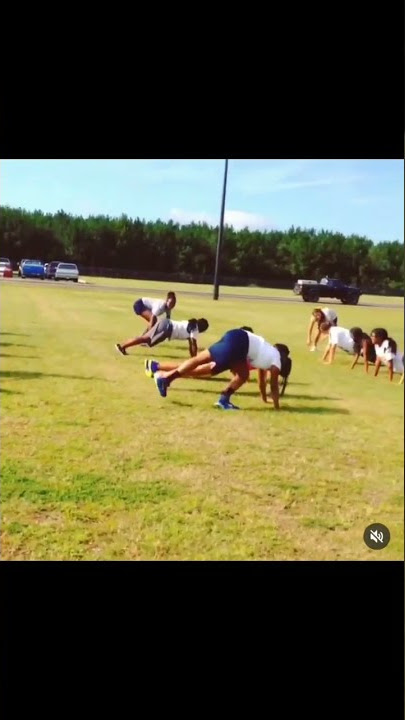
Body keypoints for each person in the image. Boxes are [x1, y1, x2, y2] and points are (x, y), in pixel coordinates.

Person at [151, 327, 291, 410]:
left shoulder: (269, 352)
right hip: (241, 344)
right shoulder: (277, 361)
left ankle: (167, 379)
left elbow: (262, 381)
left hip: (234, 335)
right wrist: (277, 407)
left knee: (199, 359)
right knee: (243, 376)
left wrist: (264, 399)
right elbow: (273, 386)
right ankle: (224, 400)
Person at [116, 318, 208, 357]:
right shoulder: (195, 330)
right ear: (202, 328)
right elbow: (194, 345)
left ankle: (123, 346)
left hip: (166, 323)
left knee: (147, 341)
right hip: (167, 328)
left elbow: (191, 345)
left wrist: (192, 358)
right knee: (147, 340)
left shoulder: (192, 324)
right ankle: (122, 346)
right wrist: (194, 360)